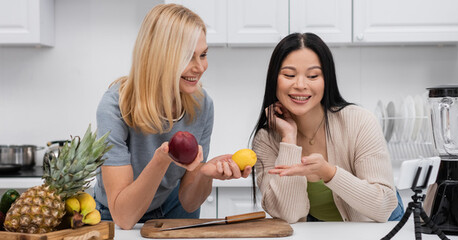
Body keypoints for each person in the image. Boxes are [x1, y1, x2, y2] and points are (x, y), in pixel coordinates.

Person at [95, 4, 251, 230]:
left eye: (203, 55)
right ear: (158, 57)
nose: (200, 67)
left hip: (173, 207)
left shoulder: (202, 105)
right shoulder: (115, 107)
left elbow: (189, 201)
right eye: (188, 57)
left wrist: (205, 174)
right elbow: (125, 218)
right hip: (116, 213)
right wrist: (162, 159)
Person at [250, 32, 403, 223]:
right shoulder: (266, 139)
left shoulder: (359, 121)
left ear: (326, 80)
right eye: (289, 75)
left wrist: (329, 173)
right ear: (274, 79)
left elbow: (382, 207)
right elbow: (289, 215)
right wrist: (288, 139)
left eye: (313, 75)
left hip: (382, 226)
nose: (300, 85)